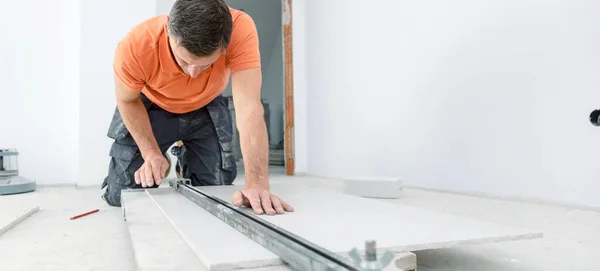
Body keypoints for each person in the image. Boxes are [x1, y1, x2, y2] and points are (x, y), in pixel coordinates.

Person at [100, 0, 293, 216]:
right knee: (121, 195)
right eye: (183, 61)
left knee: (215, 190)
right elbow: (127, 100)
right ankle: (159, 156)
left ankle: (185, 158)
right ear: (168, 30)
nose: (192, 74)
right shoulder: (136, 45)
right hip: (151, 106)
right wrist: (151, 153)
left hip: (206, 104)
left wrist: (257, 183)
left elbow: (249, 107)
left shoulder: (241, 27)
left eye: (205, 65)